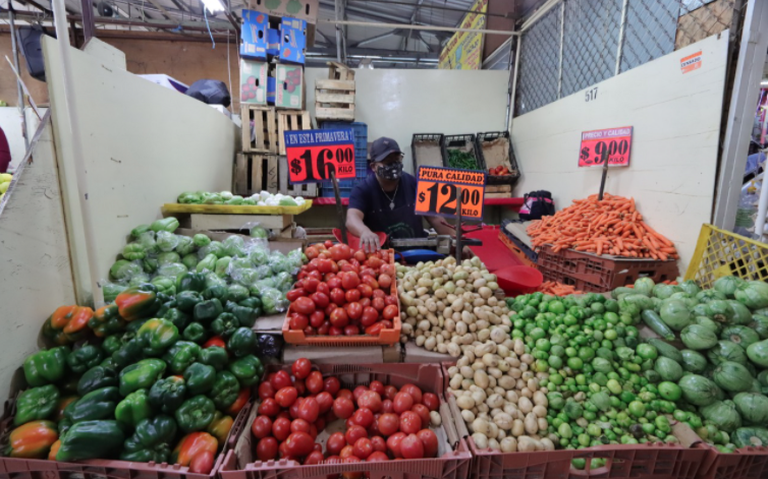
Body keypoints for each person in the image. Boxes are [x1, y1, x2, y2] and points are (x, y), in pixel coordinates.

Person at [346, 136, 466, 253]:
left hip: (417, 255)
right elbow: (352, 218)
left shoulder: (415, 184)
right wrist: (364, 232)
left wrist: (458, 241)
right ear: (373, 166)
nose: (393, 165)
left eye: (397, 160)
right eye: (387, 162)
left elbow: (435, 219)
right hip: (381, 259)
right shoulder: (363, 190)